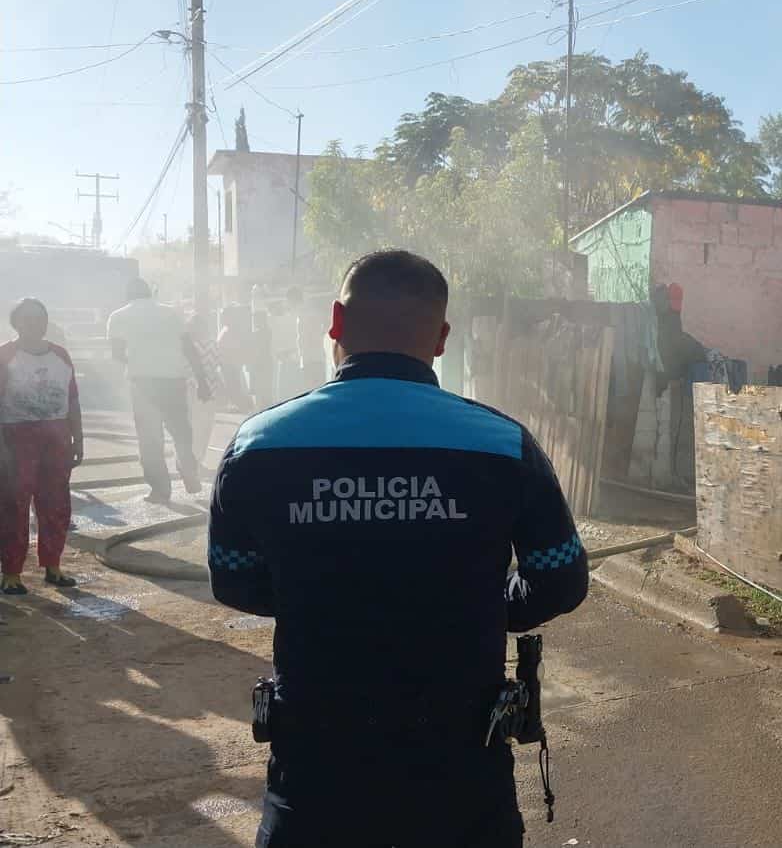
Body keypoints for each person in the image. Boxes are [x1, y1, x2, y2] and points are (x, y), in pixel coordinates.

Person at [208, 250, 588, 847]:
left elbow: (233, 579)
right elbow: (560, 579)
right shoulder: (503, 444)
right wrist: (478, 608)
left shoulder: (258, 445)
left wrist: (324, 600)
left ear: (335, 321)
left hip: (315, 769)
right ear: (440, 338)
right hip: (462, 767)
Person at [1, 299, 84, 594]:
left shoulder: (60, 355)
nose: (35, 323)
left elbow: (72, 399)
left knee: (56, 504)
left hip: (57, 438)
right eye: (28, 318)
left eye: (40, 317)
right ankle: (11, 573)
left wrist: (78, 437)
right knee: (14, 505)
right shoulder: (5, 355)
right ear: (16, 322)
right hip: (16, 440)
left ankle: (53, 566)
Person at [106, 279, 212, 503]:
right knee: (181, 432)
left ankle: (160, 490)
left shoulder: (118, 316)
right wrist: (202, 381)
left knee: (150, 439)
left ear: (128, 295)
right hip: (174, 382)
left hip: (143, 384)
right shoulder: (171, 313)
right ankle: (189, 471)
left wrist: (137, 363)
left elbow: (116, 354)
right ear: (150, 293)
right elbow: (189, 348)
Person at [186, 314, 226, 470]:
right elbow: (217, 366)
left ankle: (188, 460)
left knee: (191, 427)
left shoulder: (186, 345)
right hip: (209, 391)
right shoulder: (212, 345)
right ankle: (197, 460)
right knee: (204, 428)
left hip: (189, 390)